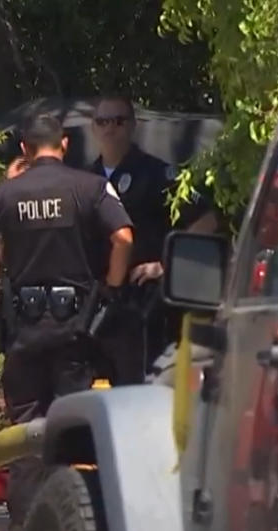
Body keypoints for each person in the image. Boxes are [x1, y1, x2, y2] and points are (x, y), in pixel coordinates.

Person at [0, 113, 133, 531]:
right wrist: (111, 291)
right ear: (63, 145)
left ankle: (25, 521)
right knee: (73, 423)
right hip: (75, 330)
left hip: (23, 329)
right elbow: (124, 238)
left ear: (24, 148)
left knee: (25, 427)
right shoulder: (90, 188)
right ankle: (75, 518)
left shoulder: (3, 196)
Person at [89, 94, 218, 384]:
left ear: (133, 125)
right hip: (97, 305)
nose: (110, 128)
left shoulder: (158, 174)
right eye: (103, 121)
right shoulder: (87, 180)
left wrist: (167, 265)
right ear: (93, 128)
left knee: (139, 391)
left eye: (119, 121)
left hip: (143, 305)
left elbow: (205, 220)